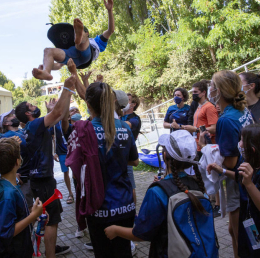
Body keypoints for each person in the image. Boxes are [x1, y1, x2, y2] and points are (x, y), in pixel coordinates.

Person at [104, 130, 212, 258]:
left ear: (164, 155)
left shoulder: (157, 192)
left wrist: (115, 230)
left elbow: (141, 233)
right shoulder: (198, 185)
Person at [14, 59, 77, 258]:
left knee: (48, 217)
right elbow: (59, 112)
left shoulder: (30, 128)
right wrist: (67, 88)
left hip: (39, 179)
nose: (36, 106)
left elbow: (58, 115)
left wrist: (55, 109)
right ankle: (50, 255)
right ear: (27, 113)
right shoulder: (33, 125)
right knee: (52, 219)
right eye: (32, 105)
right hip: (42, 180)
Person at [207, 124, 260, 258]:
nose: (239, 145)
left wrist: (250, 184)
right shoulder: (254, 164)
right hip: (252, 227)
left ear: (253, 149)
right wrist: (221, 170)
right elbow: (240, 178)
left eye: (241, 141)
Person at [78, 82, 139, 258]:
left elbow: (76, 166)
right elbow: (134, 161)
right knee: (123, 252)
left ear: (88, 105)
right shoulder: (125, 127)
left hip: (98, 208)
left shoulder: (85, 130)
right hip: (125, 204)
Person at [201, 70, 253, 258]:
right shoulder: (242, 110)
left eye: (212, 86)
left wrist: (206, 147)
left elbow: (230, 162)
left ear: (220, 91)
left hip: (238, 181)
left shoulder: (225, 120)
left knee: (240, 232)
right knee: (232, 229)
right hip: (248, 173)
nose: (210, 90)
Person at [32, 0, 115, 80]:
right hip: (73, 56)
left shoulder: (97, 41)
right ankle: (46, 72)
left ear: (87, 33)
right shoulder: (71, 48)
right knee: (48, 51)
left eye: (81, 31)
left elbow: (110, 30)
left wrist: (110, 10)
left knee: (82, 44)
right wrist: (47, 65)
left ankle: (79, 38)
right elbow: (59, 65)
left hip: (87, 55)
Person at [0, 138, 44, 258]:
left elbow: (15, 218)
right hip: (14, 252)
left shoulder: (5, 183)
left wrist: (34, 216)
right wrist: (33, 215)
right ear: (18, 162)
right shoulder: (8, 193)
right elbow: (7, 231)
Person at [184, 80, 220, 216]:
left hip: (208, 145)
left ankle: (218, 204)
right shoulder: (198, 106)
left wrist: (196, 129)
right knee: (202, 174)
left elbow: (214, 127)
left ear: (204, 92)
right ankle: (207, 201)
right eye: (192, 92)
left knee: (212, 174)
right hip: (200, 145)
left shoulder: (209, 107)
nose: (193, 95)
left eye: (195, 92)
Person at [0, 111, 33, 209]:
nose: (14, 116)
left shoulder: (23, 131)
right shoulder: (5, 137)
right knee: (27, 210)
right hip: (23, 179)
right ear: (6, 123)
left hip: (33, 175)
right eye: (10, 116)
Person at [121, 93, 142, 208]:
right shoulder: (119, 116)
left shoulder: (135, 119)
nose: (124, 103)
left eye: (128, 101)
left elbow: (126, 125)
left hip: (128, 156)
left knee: (130, 185)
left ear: (133, 104)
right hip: (117, 154)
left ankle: (133, 211)